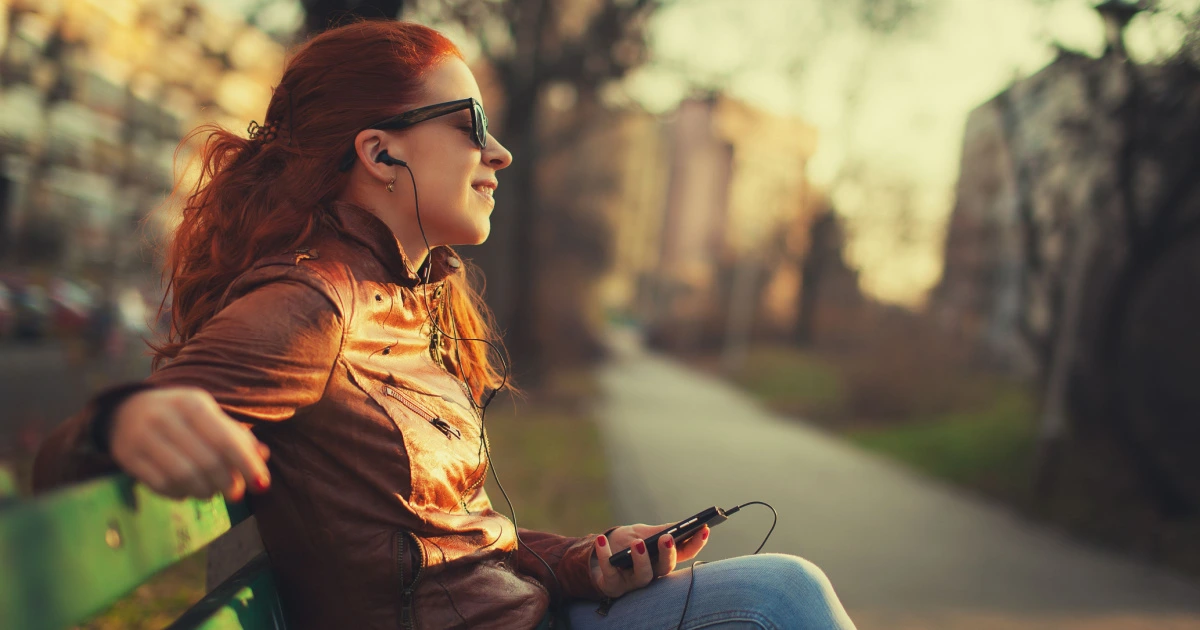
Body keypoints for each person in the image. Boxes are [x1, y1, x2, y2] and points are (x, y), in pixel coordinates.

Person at [31, 20, 856, 630]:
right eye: (472, 126)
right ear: (382, 155)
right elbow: (79, 456)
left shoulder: (404, 298)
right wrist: (127, 420)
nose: (497, 155)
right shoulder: (315, 305)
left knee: (780, 595)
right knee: (779, 601)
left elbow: (445, 547)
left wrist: (584, 564)